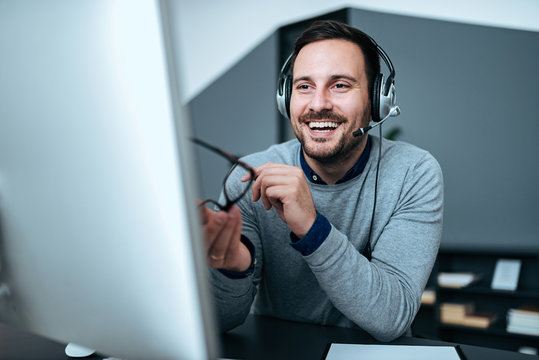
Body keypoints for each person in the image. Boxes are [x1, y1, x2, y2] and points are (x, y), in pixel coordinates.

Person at [200, 19, 443, 342]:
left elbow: (391, 317)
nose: (317, 104)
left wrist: (312, 228)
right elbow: (219, 322)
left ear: (376, 102)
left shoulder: (414, 173)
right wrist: (230, 266)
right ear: (285, 99)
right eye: (304, 86)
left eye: (340, 85)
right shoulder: (251, 177)